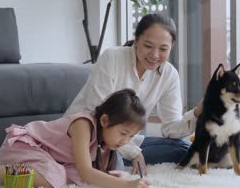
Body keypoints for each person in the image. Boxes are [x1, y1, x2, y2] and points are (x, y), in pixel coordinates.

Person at [65, 13, 203, 175]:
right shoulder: (112, 58)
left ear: (171, 47)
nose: (155, 55)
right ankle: (108, 160)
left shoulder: (169, 75)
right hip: (89, 138)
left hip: (123, 140)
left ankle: (116, 158)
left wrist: (196, 113)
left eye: (163, 49)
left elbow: (171, 129)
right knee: (114, 162)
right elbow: (97, 116)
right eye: (148, 46)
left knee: (184, 148)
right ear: (136, 41)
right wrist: (134, 152)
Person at [0, 89, 151, 188]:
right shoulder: (83, 124)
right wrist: (126, 185)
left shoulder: (104, 143)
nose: (125, 141)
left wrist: (119, 179)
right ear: (104, 121)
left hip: (44, 157)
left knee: (69, 177)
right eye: (123, 133)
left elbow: (86, 174)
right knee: (58, 176)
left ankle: (13, 176)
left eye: (131, 137)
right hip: (24, 145)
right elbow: (86, 172)